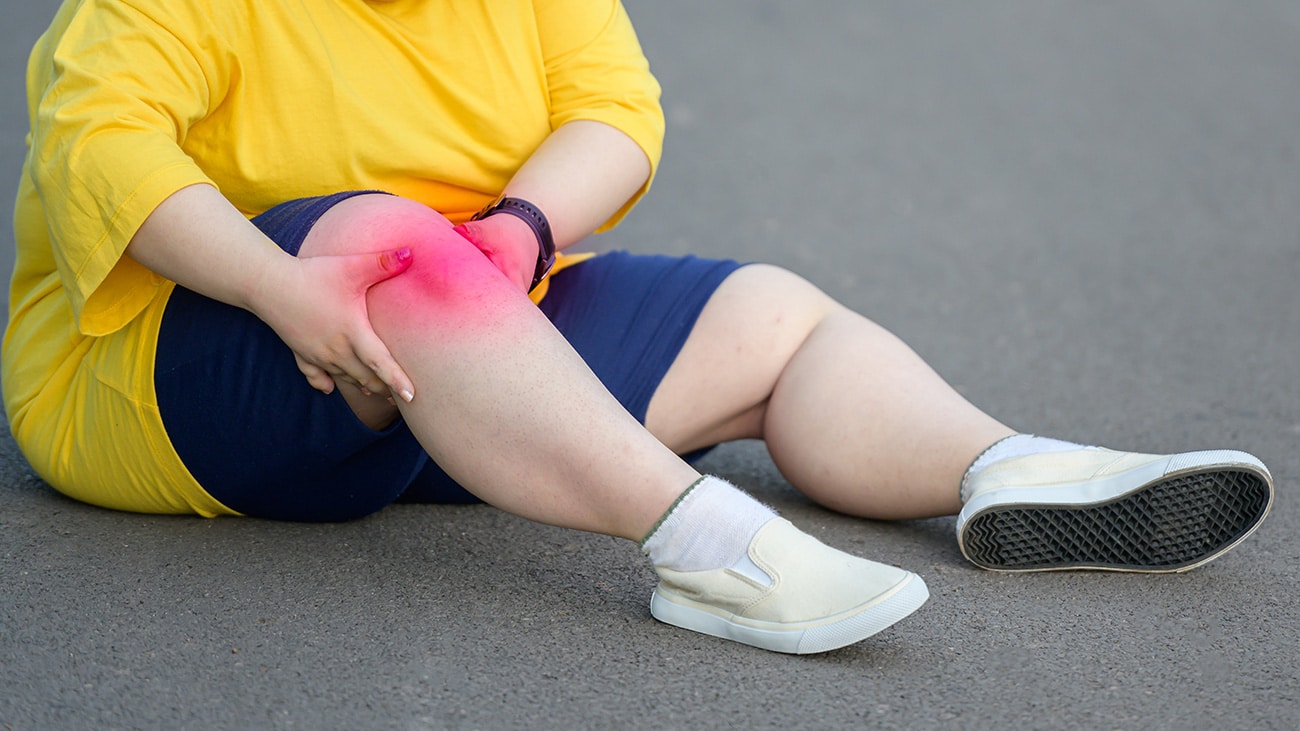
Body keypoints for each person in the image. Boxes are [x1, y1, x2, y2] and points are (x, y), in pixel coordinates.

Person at [4, 0, 1274, 655]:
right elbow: (93, 144)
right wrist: (287, 290)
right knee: (390, 240)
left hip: (456, 335)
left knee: (772, 317)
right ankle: (707, 544)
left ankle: (1001, 465)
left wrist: (524, 234)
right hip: (187, 355)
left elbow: (612, 104)